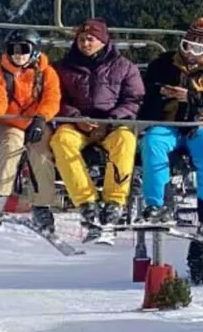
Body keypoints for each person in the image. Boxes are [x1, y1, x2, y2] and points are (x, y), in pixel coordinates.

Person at [137, 16, 203, 242]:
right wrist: (161, 93)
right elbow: (144, 91)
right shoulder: (164, 63)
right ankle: (157, 206)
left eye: (197, 48)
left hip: (202, 124)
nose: (190, 53)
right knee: (153, 143)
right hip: (169, 123)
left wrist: (192, 97)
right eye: (186, 46)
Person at [51, 18, 145, 241]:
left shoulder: (124, 67)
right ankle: (86, 201)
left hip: (112, 124)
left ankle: (115, 201)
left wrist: (111, 120)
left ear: (103, 41)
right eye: (82, 39)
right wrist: (75, 117)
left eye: (90, 39)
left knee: (126, 141)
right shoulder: (64, 68)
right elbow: (56, 99)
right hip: (77, 124)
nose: (85, 43)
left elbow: (134, 100)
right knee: (61, 141)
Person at [0, 28, 62, 225]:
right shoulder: (0, 73)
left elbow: (52, 99)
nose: (18, 54)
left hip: (36, 122)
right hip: (9, 121)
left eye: (23, 49)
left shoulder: (47, 73)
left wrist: (41, 119)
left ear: (34, 51)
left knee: (41, 152)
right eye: (13, 49)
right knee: (11, 145)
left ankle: (42, 204)